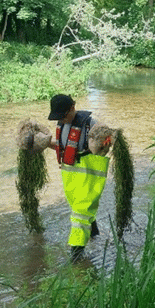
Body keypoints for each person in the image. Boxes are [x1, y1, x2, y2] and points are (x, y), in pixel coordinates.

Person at [48, 94, 110, 260]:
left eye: (63, 115)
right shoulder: (62, 125)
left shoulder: (91, 124)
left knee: (80, 214)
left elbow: (106, 142)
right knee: (79, 208)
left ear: (73, 107)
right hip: (70, 176)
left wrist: (106, 142)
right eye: (58, 117)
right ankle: (94, 234)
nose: (61, 119)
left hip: (88, 175)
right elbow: (63, 147)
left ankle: (76, 255)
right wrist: (44, 143)